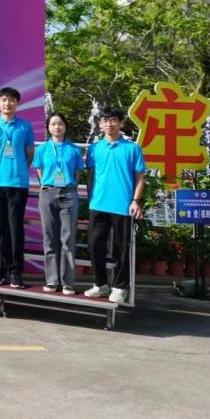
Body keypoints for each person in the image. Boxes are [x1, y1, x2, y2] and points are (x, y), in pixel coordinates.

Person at [84, 107, 145, 305]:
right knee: (95, 245)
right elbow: (91, 176)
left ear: (121, 123)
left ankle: (120, 286)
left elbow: (140, 177)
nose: (109, 124)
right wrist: (91, 200)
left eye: (113, 120)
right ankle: (101, 284)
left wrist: (135, 201)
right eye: (105, 120)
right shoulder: (94, 149)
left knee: (122, 248)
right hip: (98, 204)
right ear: (100, 124)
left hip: (123, 206)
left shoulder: (132, 148)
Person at [0, 86, 35, 288]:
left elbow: (29, 154)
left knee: (15, 228)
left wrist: (18, 169)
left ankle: (15, 272)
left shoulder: (25, 126)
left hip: (18, 184)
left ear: (17, 103)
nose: (8, 103)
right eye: (4, 100)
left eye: (12, 100)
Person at [32, 112, 83, 295]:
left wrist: (69, 186)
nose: (57, 127)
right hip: (48, 193)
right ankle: (52, 281)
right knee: (49, 238)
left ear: (65, 126)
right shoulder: (42, 149)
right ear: (48, 127)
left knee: (68, 238)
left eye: (60, 123)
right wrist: (49, 184)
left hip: (69, 193)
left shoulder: (74, 149)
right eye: (53, 124)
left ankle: (67, 282)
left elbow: (77, 173)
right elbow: (40, 170)